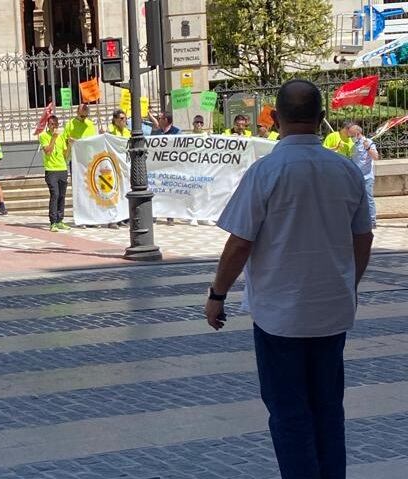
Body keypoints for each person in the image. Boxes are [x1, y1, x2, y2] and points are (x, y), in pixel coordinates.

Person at [205, 79, 373, 479]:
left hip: (280, 316)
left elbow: (239, 243)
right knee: (328, 409)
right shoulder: (346, 171)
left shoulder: (266, 172)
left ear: (276, 118)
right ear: (323, 119)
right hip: (332, 311)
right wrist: (349, 284)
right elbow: (363, 236)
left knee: (289, 412)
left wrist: (217, 294)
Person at [40, 115, 70, 232]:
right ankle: (53, 222)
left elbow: (65, 155)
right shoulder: (43, 136)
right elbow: (47, 151)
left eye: (56, 124)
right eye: (52, 124)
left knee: (62, 195)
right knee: (55, 194)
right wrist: (53, 138)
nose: (54, 127)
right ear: (48, 124)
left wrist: (70, 145)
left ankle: (60, 220)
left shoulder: (61, 137)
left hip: (62, 168)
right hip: (51, 170)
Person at [149, 111, 180, 225]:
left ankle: (170, 216)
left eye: (160, 118)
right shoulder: (156, 132)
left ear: (166, 120)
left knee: (170, 193)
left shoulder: (177, 132)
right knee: (156, 191)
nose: (158, 120)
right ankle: (154, 215)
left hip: (171, 167)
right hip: (158, 167)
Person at [349, 124, 379, 228]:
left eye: (351, 135)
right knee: (355, 199)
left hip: (367, 177)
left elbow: (376, 157)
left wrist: (368, 148)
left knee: (368, 198)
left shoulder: (369, 142)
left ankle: (372, 220)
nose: (350, 137)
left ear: (357, 134)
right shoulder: (353, 145)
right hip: (356, 178)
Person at [105, 109, 130, 229]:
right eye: (121, 118)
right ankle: (112, 219)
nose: (124, 120)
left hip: (124, 167)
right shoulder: (110, 130)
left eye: (125, 118)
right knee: (113, 193)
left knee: (123, 193)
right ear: (115, 120)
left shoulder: (127, 131)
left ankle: (121, 218)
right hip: (112, 166)